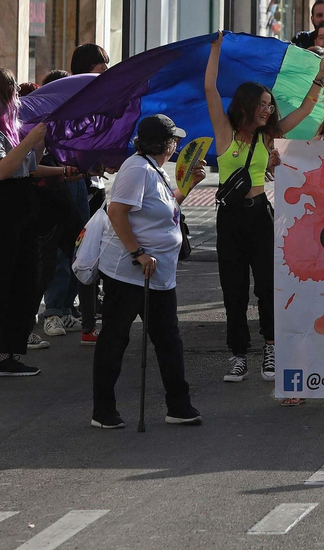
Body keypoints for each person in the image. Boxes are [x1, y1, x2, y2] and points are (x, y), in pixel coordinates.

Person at [204, 33, 324, 385]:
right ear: (246, 105)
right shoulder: (225, 131)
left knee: (266, 286)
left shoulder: (268, 136)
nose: (268, 109)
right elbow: (211, 91)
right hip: (229, 216)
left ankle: (271, 348)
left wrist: (319, 77)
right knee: (233, 288)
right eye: (262, 104)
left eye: (269, 104)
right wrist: (215, 50)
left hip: (260, 213)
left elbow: (305, 110)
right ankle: (238, 355)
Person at [0, 69, 72, 383]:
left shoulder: (2, 128)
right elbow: (2, 169)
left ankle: (5, 354)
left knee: (21, 283)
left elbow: (26, 167)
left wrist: (57, 166)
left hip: (16, 208)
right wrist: (31, 140)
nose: (15, 99)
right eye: (10, 92)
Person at [91, 114, 203, 429]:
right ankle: (103, 410)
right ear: (165, 144)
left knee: (169, 339)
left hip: (159, 275)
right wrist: (137, 252)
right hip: (130, 273)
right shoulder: (137, 168)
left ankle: (179, 406)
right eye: (175, 140)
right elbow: (117, 211)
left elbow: (166, 210)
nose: (178, 144)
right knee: (115, 338)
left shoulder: (154, 169)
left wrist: (189, 187)